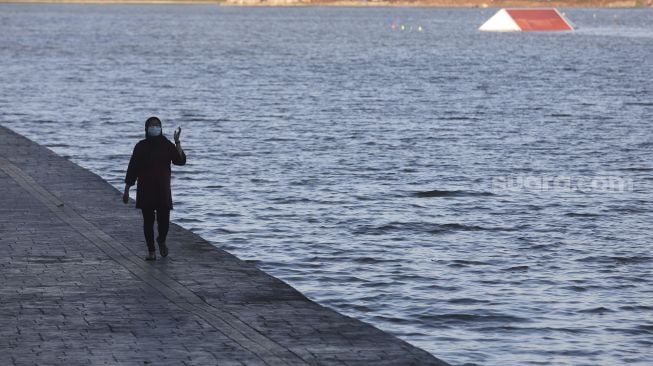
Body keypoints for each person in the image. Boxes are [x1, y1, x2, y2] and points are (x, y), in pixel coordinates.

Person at [123, 117, 186, 261]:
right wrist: (127, 188)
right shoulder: (141, 146)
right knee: (148, 221)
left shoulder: (166, 145)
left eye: (157, 125)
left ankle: (161, 240)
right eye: (151, 125)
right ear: (146, 128)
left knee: (164, 221)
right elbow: (132, 168)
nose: (154, 127)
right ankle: (151, 251)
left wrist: (177, 141)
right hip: (145, 189)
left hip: (163, 190)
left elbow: (180, 161)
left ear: (161, 128)